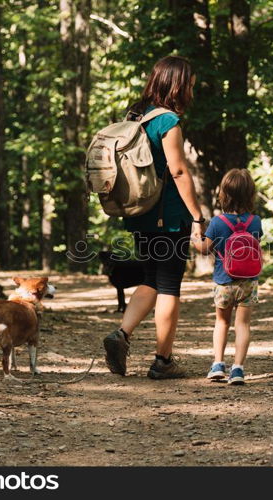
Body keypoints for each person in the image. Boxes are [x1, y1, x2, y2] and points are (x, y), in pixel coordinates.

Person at [102, 55, 205, 379]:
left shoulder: (136, 115)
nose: (191, 88)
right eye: (188, 82)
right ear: (177, 84)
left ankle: (122, 334)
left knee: (150, 277)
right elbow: (177, 170)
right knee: (170, 285)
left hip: (140, 213)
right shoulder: (168, 122)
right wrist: (198, 217)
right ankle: (163, 361)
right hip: (168, 216)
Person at [192, 169, 262, 385]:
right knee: (243, 325)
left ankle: (218, 365)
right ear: (250, 194)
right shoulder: (255, 221)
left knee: (221, 322)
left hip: (224, 281)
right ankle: (238, 369)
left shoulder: (217, 222)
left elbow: (204, 249)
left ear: (223, 194)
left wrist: (195, 237)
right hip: (249, 282)